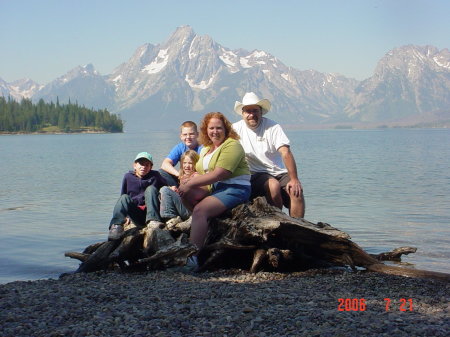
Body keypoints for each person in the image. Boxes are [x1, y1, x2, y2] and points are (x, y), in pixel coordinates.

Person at [178, 112, 251, 270]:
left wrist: (191, 183)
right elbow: (204, 173)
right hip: (215, 187)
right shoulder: (206, 149)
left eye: (219, 128)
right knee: (184, 193)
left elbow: (221, 173)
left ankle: (193, 258)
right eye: (211, 128)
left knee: (199, 210)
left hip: (235, 188)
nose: (215, 131)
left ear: (226, 129)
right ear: (205, 130)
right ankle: (205, 223)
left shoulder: (232, 145)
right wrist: (189, 181)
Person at [232, 92, 305, 218]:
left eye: (255, 110)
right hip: (254, 174)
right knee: (273, 186)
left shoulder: (273, 127)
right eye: (248, 111)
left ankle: (299, 226)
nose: (251, 115)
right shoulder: (235, 129)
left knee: (296, 191)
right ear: (242, 113)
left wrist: (294, 179)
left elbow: (285, 152)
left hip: (279, 172)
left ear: (261, 112)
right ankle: (279, 223)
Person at [108, 152, 167, 241]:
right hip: (137, 214)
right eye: (141, 164)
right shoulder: (128, 177)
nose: (143, 167)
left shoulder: (155, 175)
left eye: (147, 165)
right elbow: (123, 197)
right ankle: (116, 226)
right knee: (124, 198)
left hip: (152, 211)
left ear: (151, 167)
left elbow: (165, 186)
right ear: (135, 165)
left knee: (151, 189)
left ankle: (153, 221)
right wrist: (126, 216)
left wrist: (171, 187)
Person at [159, 150, 200, 226]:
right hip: (186, 206)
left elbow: (191, 195)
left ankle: (171, 217)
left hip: (190, 210)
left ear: (196, 164)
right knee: (164, 190)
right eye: (184, 163)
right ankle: (169, 216)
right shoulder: (184, 176)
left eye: (190, 163)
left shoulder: (196, 176)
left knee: (165, 190)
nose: (187, 166)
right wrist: (177, 191)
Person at [159, 121, 202, 186]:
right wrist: (179, 175)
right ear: (181, 136)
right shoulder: (180, 147)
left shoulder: (202, 148)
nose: (188, 137)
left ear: (197, 135)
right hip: (183, 178)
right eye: (185, 134)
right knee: (161, 172)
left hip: (199, 179)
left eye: (191, 134)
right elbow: (165, 164)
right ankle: (177, 189)